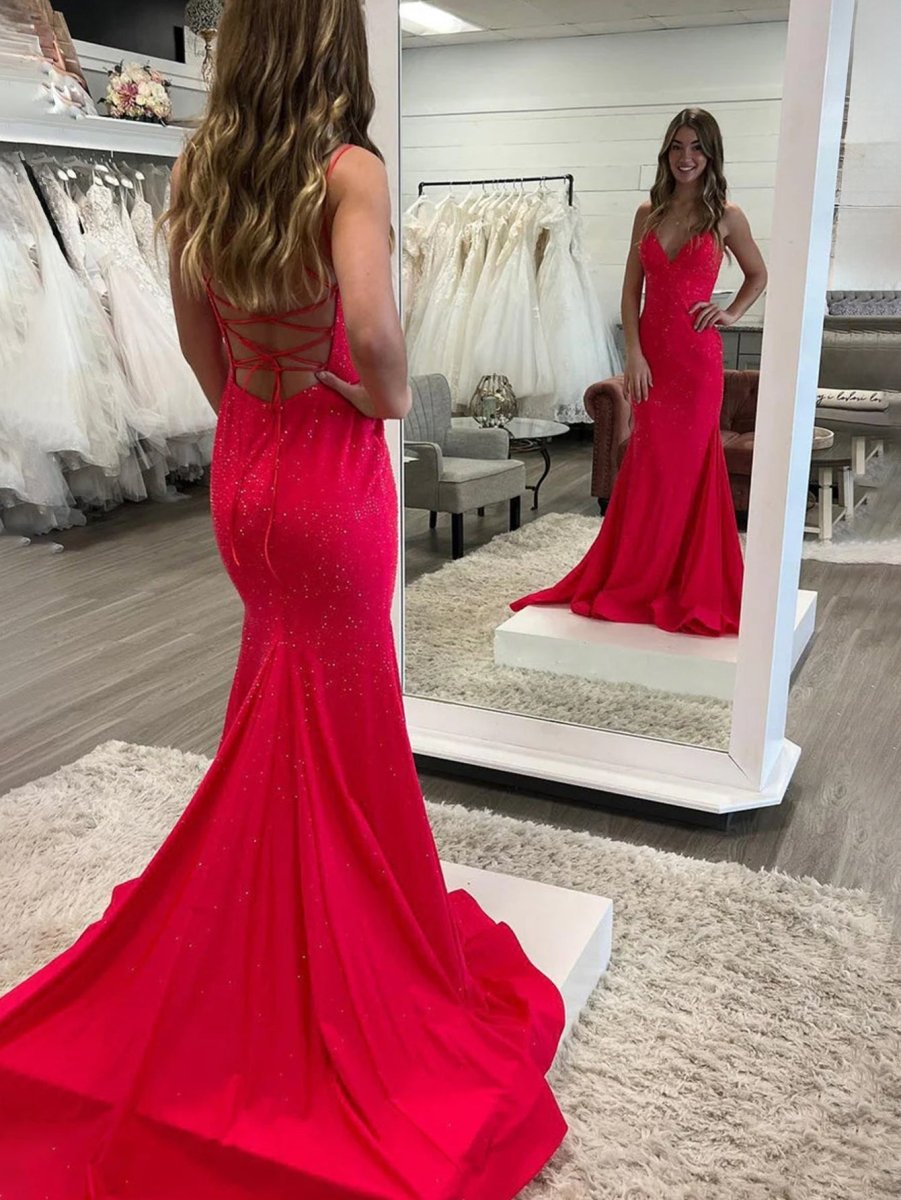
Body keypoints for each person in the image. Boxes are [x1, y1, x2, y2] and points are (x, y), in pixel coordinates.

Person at [0, 2, 568, 1195]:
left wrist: (252, 406)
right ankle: (322, 944)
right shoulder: (347, 170)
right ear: (331, 44)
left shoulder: (201, 166)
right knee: (341, 717)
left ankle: (276, 911)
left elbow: (194, 339)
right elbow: (373, 334)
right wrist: (374, 400)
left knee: (280, 698)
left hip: (249, 473)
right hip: (326, 472)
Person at [512, 108, 768, 636]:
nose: (685, 157)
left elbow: (758, 274)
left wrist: (731, 313)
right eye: (677, 146)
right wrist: (632, 354)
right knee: (649, 468)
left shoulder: (727, 216)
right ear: (666, 152)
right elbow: (631, 292)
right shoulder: (647, 212)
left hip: (697, 365)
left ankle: (683, 580)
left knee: (688, 471)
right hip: (651, 362)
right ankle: (640, 575)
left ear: (711, 154)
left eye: (696, 147)